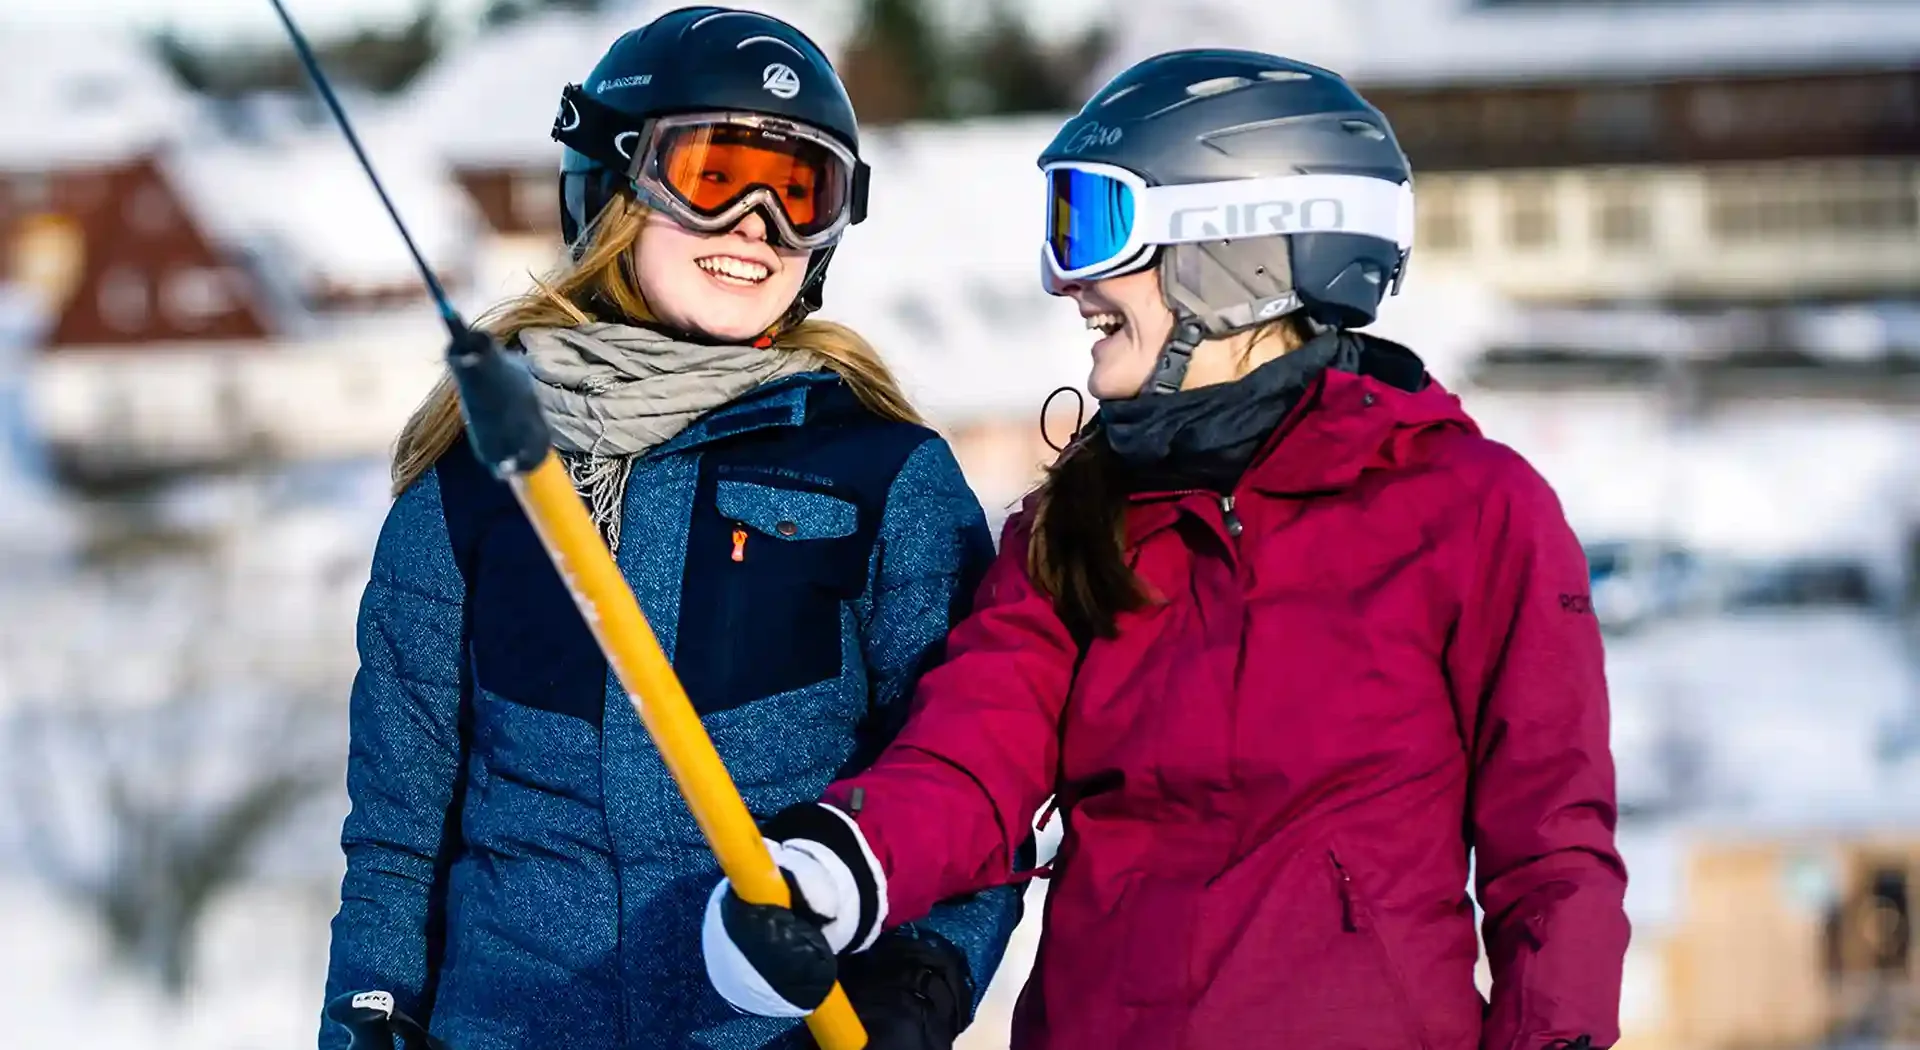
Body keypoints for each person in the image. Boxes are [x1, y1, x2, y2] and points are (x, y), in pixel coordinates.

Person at [700, 48, 1631, 1050]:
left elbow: (1553, 854)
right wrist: (841, 865)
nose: (1069, 282)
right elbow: (973, 758)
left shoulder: (1469, 511)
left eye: (1095, 225)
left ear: (1242, 253)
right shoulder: (1076, 525)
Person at [319, 8, 1023, 1049]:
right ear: (613, 187)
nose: (756, 225)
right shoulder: (478, 485)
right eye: (714, 176)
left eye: (800, 192)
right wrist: (370, 1013)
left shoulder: (883, 477)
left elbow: (970, 783)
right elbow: (399, 830)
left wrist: (922, 984)